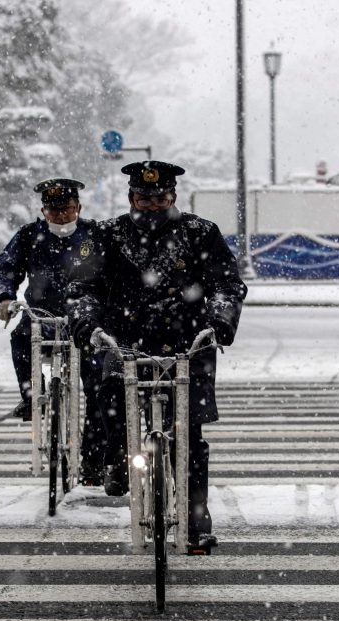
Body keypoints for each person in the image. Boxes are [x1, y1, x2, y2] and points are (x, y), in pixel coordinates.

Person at [66, 160, 247, 554]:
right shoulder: (107, 234)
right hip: (126, 341)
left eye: (160, 198)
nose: (152, 205)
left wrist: (219, 322)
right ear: (131, 197)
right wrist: (88, 325)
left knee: (189, 434)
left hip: (189, 344)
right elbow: (83, 288)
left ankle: (196, 515)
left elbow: (227, 284)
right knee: (110, 400)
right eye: (144, 199)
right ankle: (117, 456)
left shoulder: (200, 233)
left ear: (173, 197)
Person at [0, 178, 106, 485]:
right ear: (43, 211)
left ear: (78, 208)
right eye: (53, 211)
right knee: (19, 339)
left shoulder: (95, 234)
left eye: (67, 210)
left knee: (99, 389)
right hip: (41, 316)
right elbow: (5, 268)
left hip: (86, 319)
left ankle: (93, 461)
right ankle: (31, 395)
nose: (61, 217)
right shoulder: (29, 235)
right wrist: (3, 298)